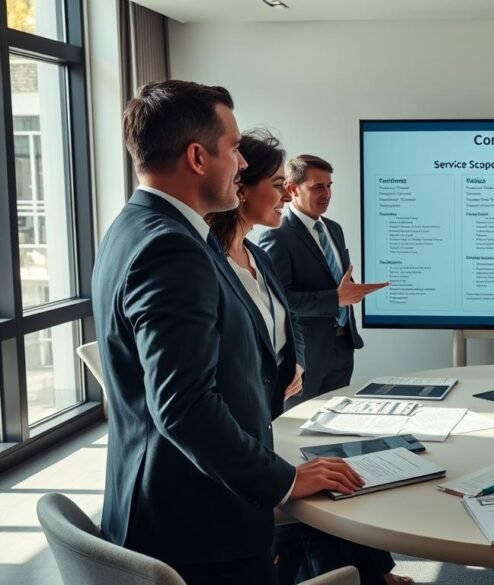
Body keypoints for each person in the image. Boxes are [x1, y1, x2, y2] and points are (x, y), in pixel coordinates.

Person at [93, 81, 364, 585]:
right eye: (234, 148)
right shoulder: (172, 248)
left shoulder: (136, 227)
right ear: (198, 157)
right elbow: (184, 407)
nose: (241, 164)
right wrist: (283, 481)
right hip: (196, 527)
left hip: (178, 507)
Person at [205, 129, 411, 585]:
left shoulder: (256, 252)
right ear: (241, 186)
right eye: (279, 185)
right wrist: (333, 301)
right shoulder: (222, 257)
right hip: (247, 427)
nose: (285, 195)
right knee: (317, 471)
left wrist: (293, 363)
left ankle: (369, 571)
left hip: (318, 361)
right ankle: (343, 572)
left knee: (337, 462)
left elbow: (280, 313)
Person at [258, 154, 387, 409]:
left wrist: (352, 291)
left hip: (343, 346)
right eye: (317, 187)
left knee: (337, 418)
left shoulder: (333, 228)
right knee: (302, 423)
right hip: (306, 355)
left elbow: (335, 278)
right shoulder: (277, 235)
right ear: (292, 189)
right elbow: (279, 300)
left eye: (329, 186)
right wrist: (336, 299)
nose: (326, 194)